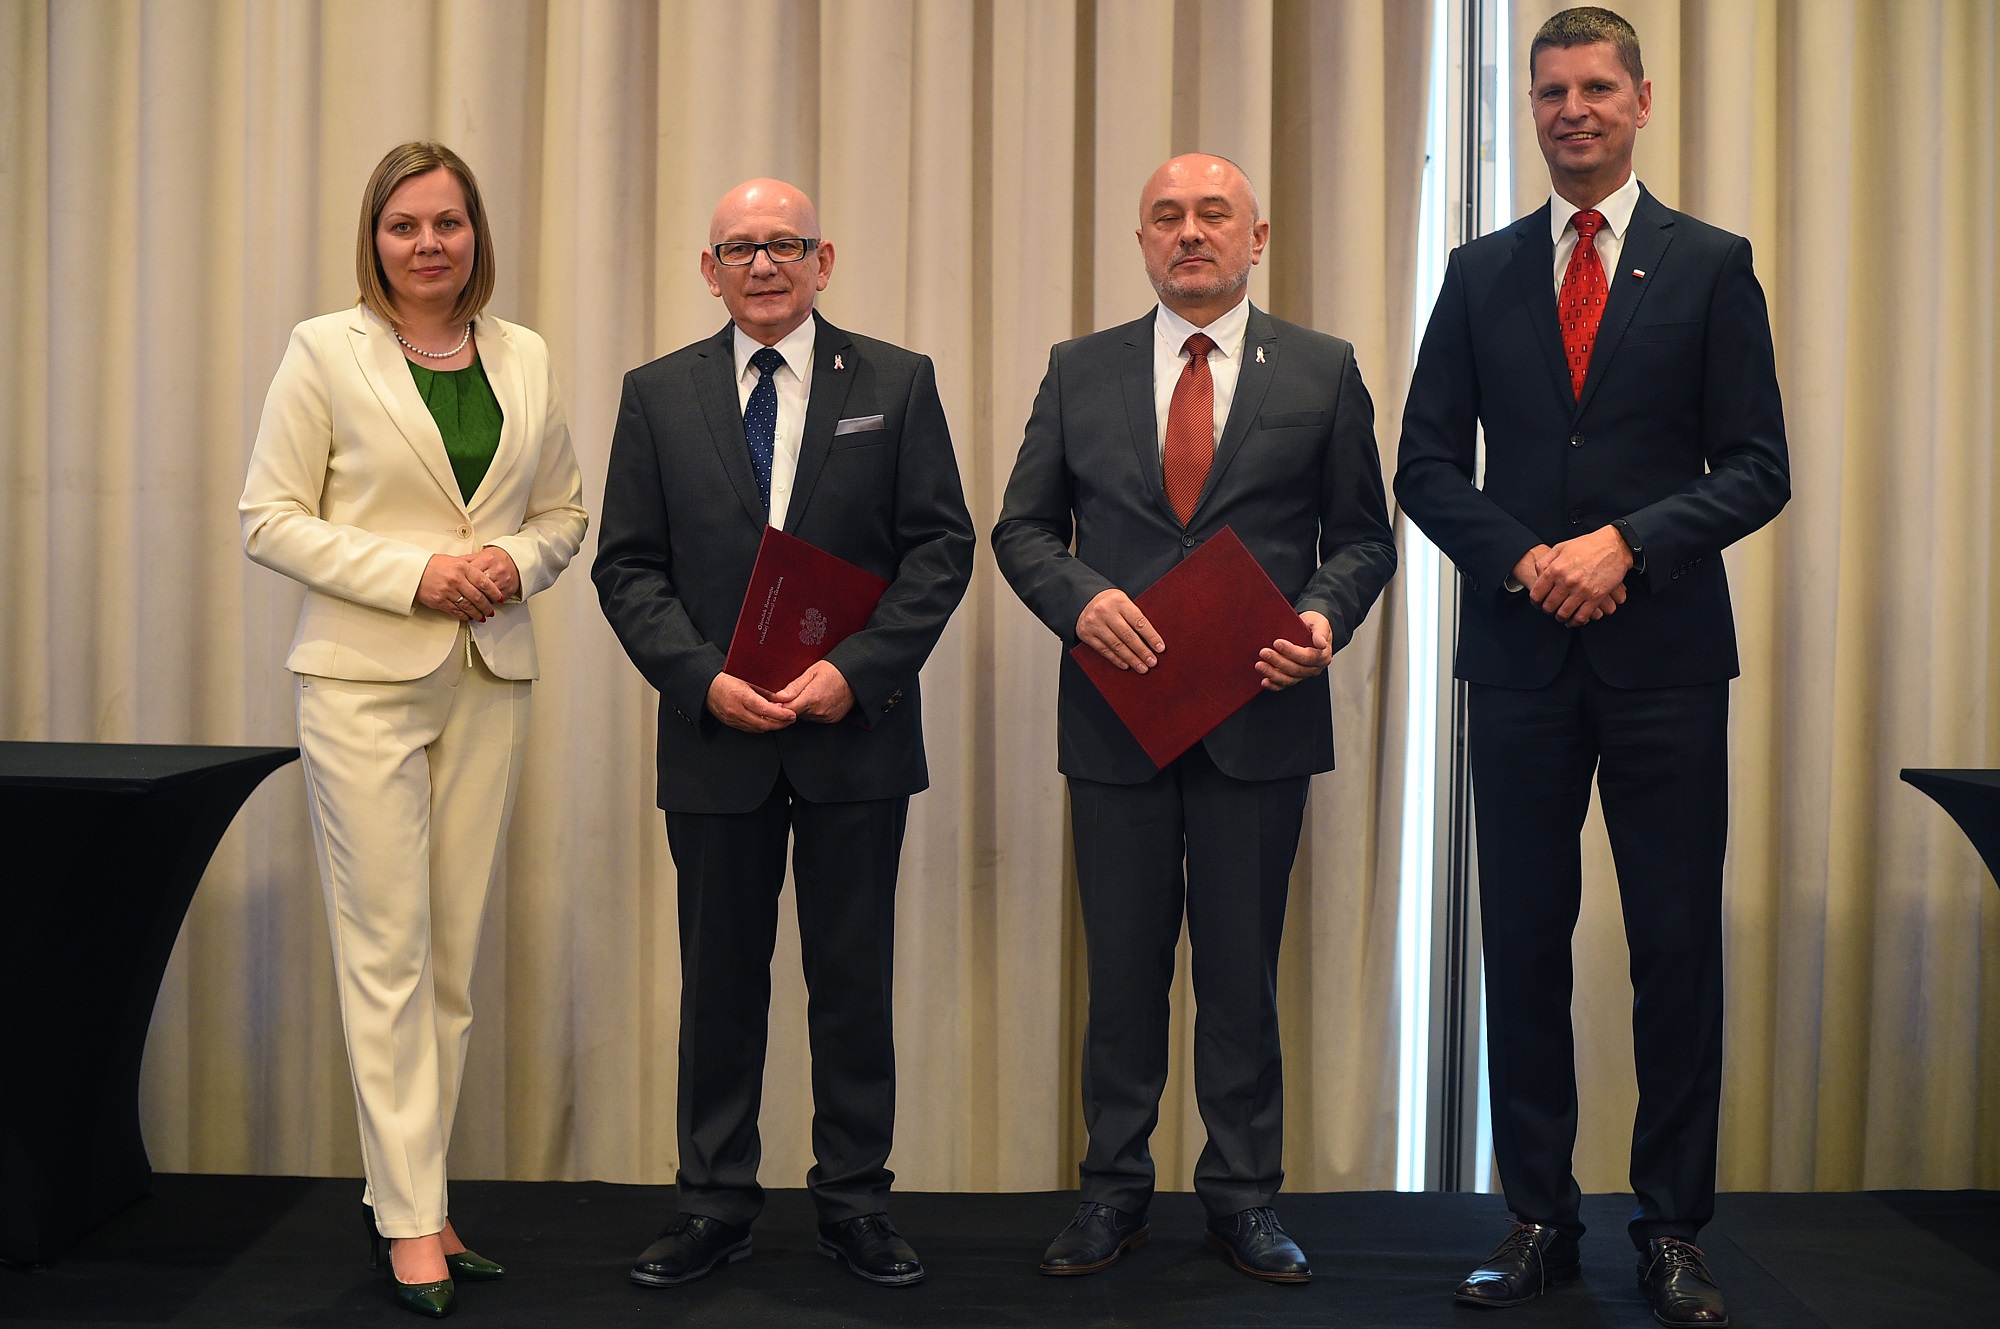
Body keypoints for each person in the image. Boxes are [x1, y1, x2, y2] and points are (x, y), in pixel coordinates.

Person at [1394, 9, 1789, 1326]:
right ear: (1532, 108)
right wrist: (1525, 562)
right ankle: (1537, 1221)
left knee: (1673, 948)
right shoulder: (1478, 272)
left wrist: (1626, 543)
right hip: (1519, 664)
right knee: (1521, 945)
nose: (1571, 109)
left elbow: (1757, 468)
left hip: (1665, 661)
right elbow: (1425, 466)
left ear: (1641, 101)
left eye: (1594, 88)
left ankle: (1670, 1230)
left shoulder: (1711, 265)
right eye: (1550, 90)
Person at [992, 154, 1397, 1284]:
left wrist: (1322, 617)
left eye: (1212, 214)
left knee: (1239, 978)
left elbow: (1363, 538)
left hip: (1257, 718)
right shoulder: (1078, 370)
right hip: (1117, 720)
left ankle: (1243, 1198)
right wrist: (1081, 603)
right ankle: (1111, 1193)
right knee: (1121, 977)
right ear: (1141, 242)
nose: (1188, 233)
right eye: (1165, 217)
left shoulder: (1320, 369)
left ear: (1255, 238)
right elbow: (1022, 530)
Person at [593, 178, 974, 1291]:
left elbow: (939, 549)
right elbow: (627, 566)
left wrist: (856, 671)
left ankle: (856, 1204)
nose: (763, 264)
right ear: (707, 270)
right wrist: (700, 679)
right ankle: (712, 1204)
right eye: (739, 248)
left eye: (785, 244)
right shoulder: (656, 394)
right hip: (714, 738)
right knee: (719, 985)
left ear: (824, 259)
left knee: (852, 984)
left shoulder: (896, 383)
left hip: (854, 735)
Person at [239, 141, 588, 1317]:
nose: (428, 244)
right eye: (404, 226)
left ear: (475, 233)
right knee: (385, 951)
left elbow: (563, 512)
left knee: (450, 956)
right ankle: (406, 1221)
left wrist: (512, 562)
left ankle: (420, 1197)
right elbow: (268, 518)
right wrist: (417, 574)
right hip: (363, 680)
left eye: (447, 222)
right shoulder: (323, 349)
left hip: (489, 672)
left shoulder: (524, 354)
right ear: (374, 239)